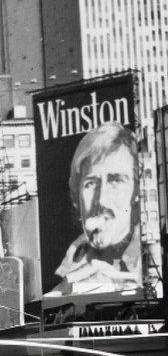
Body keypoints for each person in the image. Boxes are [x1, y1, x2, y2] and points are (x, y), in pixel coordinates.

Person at [50, 121, 144, 296]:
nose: (101, 200)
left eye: (115, 181)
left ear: (137, 192)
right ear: (76, 197)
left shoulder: (153, 259)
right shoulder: (69, 262)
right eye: (91, 183)